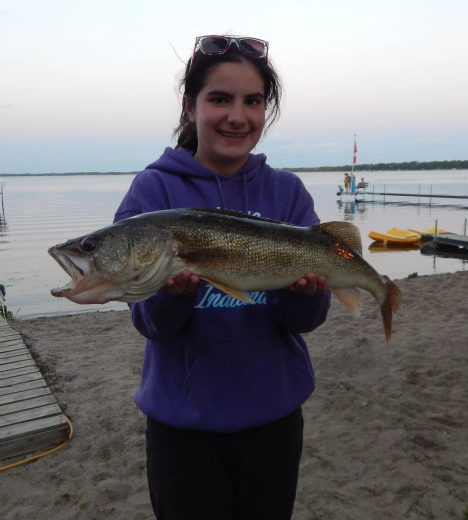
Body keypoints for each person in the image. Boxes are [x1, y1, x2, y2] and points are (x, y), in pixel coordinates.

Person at [114, 35, 331, 519]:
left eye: (253, 101)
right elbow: (151, 324)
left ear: (265, 109)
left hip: (275, 418)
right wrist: (171, 297)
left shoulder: (287, 191)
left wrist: (303, 295)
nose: (237, 116)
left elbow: (307, 320)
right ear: (190, 106)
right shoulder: (154, 189)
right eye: (219, 99)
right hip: (184, 426)